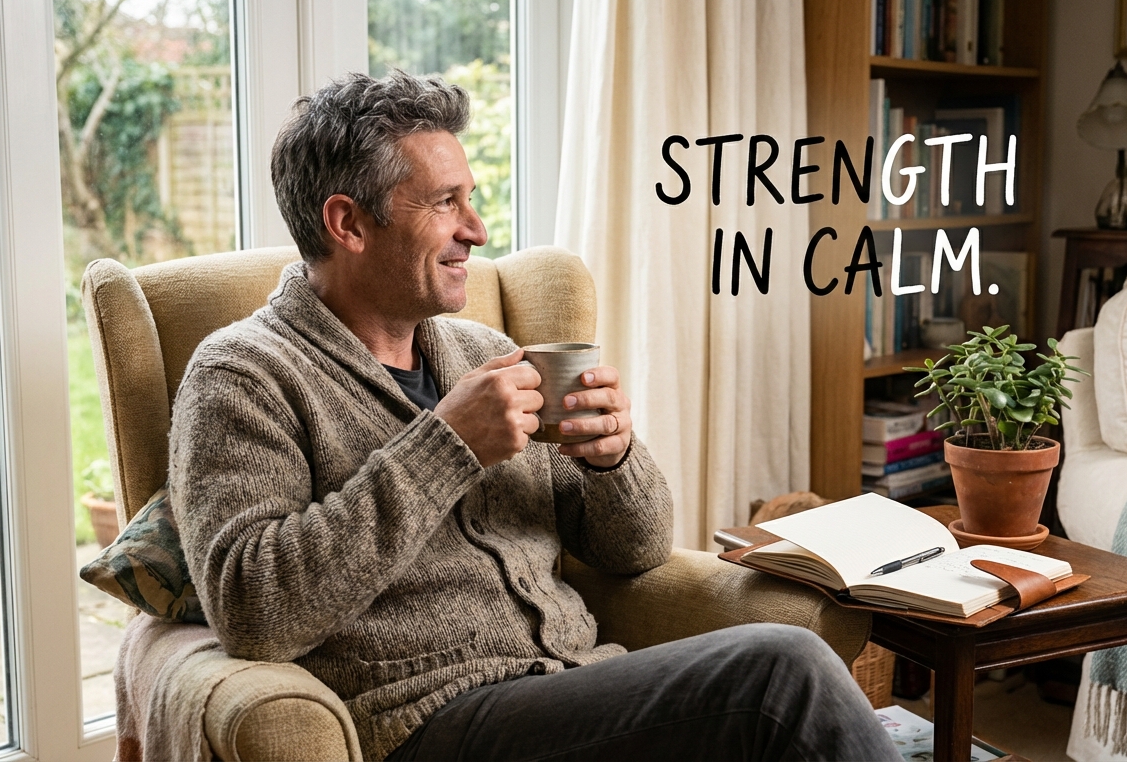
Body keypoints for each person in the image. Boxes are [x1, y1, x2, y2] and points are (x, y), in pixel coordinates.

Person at [168, 70, 898, 762]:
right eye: (445, 202)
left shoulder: (483, 351)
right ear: (348, 223)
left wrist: (612, 460)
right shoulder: (243, 374)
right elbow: (254, 609)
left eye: (471, 198)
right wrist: (446, 445)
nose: (478, 230)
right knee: (780, 670)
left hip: (572, 687)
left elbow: (636, 552)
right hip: (426, 723)